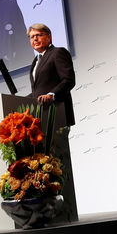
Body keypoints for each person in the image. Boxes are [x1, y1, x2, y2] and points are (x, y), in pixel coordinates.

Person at [28, 23, 77, 222]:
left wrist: (51, 94)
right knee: (50, 167)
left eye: (39, 35)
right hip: (43, 119)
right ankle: (54, 214)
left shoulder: (58, 53)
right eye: (31, 37)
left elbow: (68, 80)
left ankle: (68, 214)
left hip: (57, 115)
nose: (35, 39)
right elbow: (37, 90)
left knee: (60, 165)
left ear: (48, 36)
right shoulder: (35, 62)